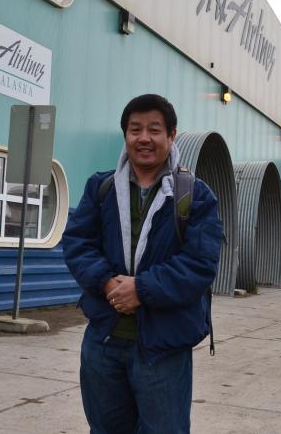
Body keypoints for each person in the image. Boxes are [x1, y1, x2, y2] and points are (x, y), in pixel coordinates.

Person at [62, 94, 223, 433]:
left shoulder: (196, 195)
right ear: (126, 136)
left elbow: (200, 263)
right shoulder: (101, 188)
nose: (144, 138)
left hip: (162, 349)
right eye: (135, 129)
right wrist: (107, 283)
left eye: (154, 129)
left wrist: (142, 289)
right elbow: (78, 244)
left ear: (171, 135)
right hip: (104, 340)